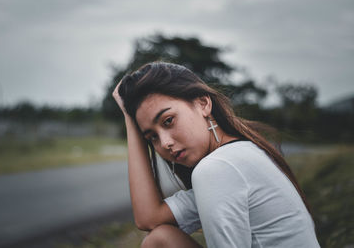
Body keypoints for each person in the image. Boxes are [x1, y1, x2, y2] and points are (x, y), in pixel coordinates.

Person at [112, 62, 320, 248]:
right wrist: (130, 118)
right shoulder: (238, 154)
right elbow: (149, 218)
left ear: (203, 103)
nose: (165, 143)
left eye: (168, 121)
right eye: (152, 137)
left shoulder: (217, 168)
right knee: (159, 239)